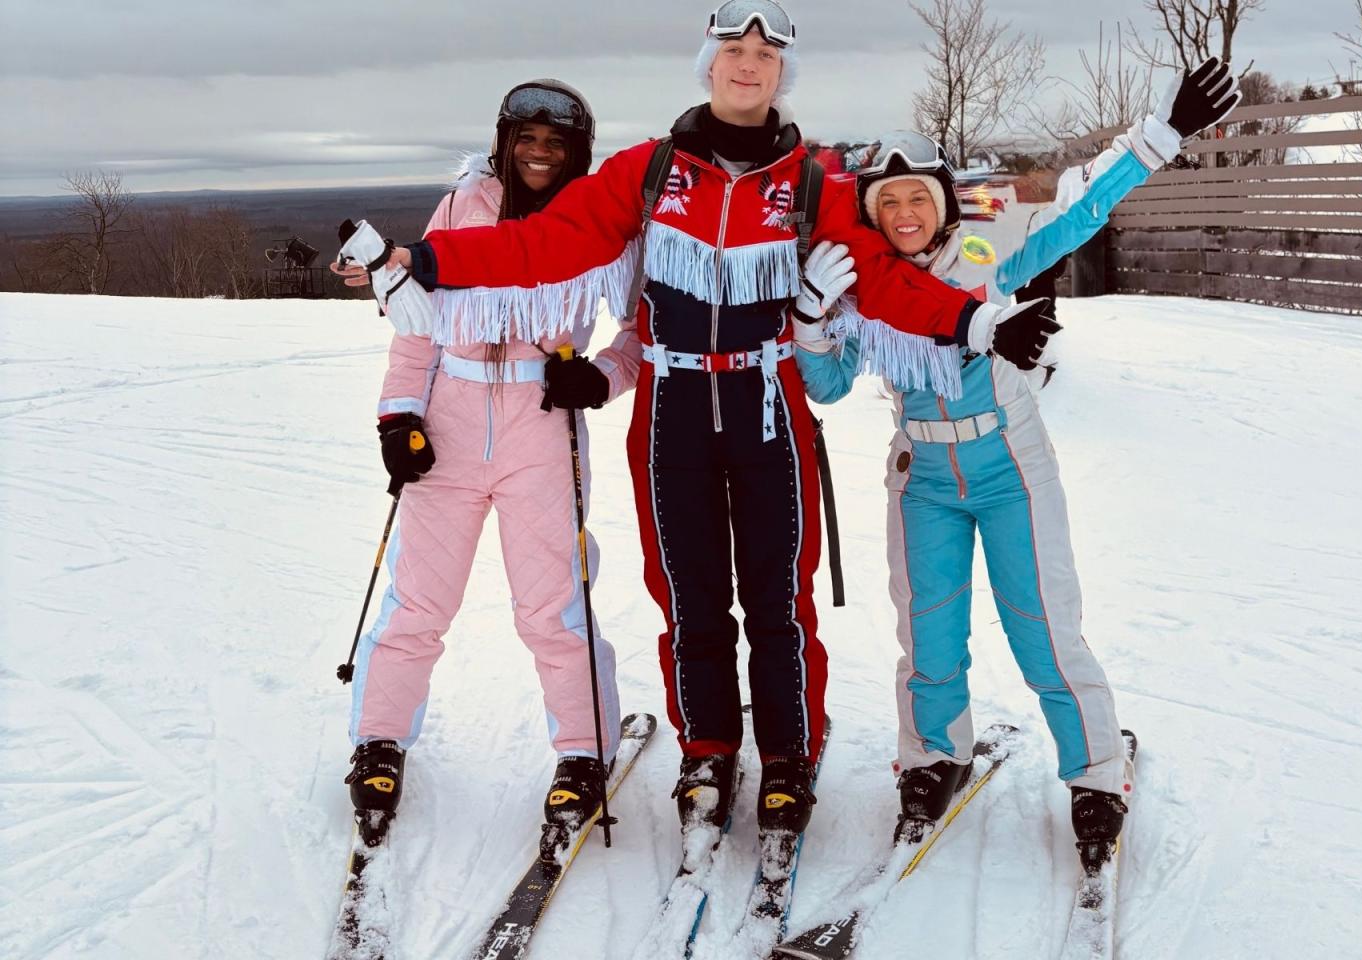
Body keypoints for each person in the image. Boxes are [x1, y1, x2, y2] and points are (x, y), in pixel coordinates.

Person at [359, 0, 1056, 845]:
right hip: (673, 406)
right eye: (735, 45)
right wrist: (424, 260)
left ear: (781, 73)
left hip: (769, 404)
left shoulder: (812, 181)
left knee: (778, 598)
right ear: (710, 62)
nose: (749, 62)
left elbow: (879, 278)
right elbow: (543, 245)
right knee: (688, 595)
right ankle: (708, 750)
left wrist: (972, 323)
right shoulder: (647, 172)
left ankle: (789, 756)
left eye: (767, 51)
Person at [790, 59, 1240, 859]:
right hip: (921, 477)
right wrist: (813, 317)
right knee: (928, 634)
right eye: (885, 202)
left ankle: (1097, 772)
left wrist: (1159, 136)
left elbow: (1077, 213)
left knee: (1042, 628)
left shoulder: (983, 259)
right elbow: (824, 387)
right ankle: (932, 758)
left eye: (916, 199)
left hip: (1009, 467)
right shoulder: (866, 291)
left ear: (943, 202)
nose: (902, 214)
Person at [336, 79, 625, 845]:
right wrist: (399, 416)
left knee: (551, 604)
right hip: (453, 421)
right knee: (420, 600)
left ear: (577, 153)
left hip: (541, 425)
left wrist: (601, 375)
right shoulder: (463, 203)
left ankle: (584, 752)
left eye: (555, 142)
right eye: (526, 138)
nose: (538, 153)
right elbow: (416, 321)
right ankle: (380, 740)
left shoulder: (598, 218)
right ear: (503, 141)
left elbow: (643, 326)